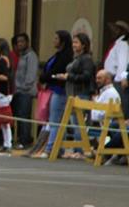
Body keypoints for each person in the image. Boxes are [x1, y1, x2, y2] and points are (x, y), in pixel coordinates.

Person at [55, 33, 95, 158]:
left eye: (76, 42)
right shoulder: (76, 58)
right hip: (71, 94)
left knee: (79, 124)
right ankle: (78, 149)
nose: (74, 45)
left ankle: (81, 150)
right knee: (74, 123)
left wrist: (69, 77)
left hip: (81, 94)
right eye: (73, 42)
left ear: (83, 45)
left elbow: (87, 76)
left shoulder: (86, 59)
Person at [39, 30, 74, 158]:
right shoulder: (58, 54)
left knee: (55, 120)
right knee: (57, 119)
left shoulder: (65, 56)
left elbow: (56, 71)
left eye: (56, 38)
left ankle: (50, 148)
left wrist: (45, 77)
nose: (54, 41)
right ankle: (60, 148)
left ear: (62, 41)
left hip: (60, 90)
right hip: (53, 88)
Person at [12, 33, 39, 148]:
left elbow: (31, 75)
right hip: (18, 91)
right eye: (18, 42)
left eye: (22, 41)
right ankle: (19, 138)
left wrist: (24, 87)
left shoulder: (31, 56)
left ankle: (25, 139)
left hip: (26, 91)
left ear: (27, 42)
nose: (20, 44)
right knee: (18, 115)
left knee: (24, 115)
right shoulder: (22, 56)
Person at [0, 37, 14, 152]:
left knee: (3, 120)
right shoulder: (0, 59)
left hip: (3, 93)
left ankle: (7, 143)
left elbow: (5, 77)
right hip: (1, 92)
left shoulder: (2, 60)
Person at [103, 20, 129, 118]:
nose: (113, 31)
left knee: (120, 106)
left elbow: (123, 62)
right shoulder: (117, 44)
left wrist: (121, 78)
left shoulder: (122, 44)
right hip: (113, 79)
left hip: (118, 80)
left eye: (116, 29)